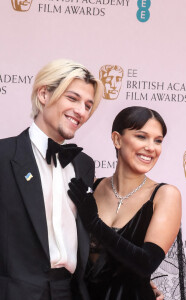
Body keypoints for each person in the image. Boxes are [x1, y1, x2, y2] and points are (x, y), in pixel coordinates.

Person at [0, 59, 102, 300]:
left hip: (68, 292)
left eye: (88, 105)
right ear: (44, 94)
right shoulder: (3, 156)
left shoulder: (84, 165)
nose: (81, 111)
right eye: (73, 98)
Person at [68, 106, 186, 299]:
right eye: (141, 136)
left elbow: (146, 263)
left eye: (158, 140)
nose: (151, 147)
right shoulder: (91, 188)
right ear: (117, 139)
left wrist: (94, 222)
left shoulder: (165, 195)